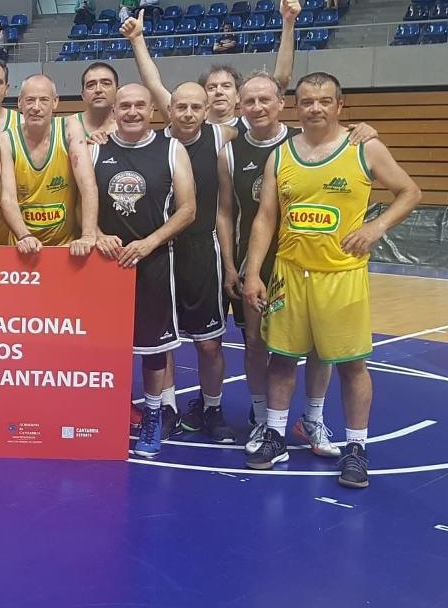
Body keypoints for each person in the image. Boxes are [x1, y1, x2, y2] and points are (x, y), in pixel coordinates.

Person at [243, 72, 421, 487]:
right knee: (282, 358)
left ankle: (357, 448)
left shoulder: (365, 147)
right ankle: (275, 434)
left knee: (352, 365)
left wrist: (376, 229)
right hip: (289, 272)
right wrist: (253, 272)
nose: (316, 108)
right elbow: (265, 218)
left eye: (325, 100)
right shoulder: (281, 155)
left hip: (341, 275)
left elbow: (409, 192)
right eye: (307, 101)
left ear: (340, 105)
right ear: (296, 107)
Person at [218, 72, 336, 456]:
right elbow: (225, 212)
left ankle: (313, 419)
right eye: (249, 101)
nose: (257, 108)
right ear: (239, 107)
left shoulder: (301, 143)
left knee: (319, 345)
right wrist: (231, 265)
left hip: (307, 261)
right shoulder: (230, 152)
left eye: (264, 100)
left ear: (281, 102)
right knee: (255, 342)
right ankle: (261, 417)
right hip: (254, 260)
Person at [92, 84, 196, 458]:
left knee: (153, 349)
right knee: (104, 349)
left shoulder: (172, 149)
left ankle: (153, 414)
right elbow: (79, 206)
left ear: (153, 109)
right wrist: (98, 234)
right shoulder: (95, 148)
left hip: (153, 261)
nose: (132, 111)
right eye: (125, 106)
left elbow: (188, 210)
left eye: (139, 105)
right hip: (104, 266)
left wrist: (150, 242)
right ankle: (106, 414)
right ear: (114, 111)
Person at [155, 82, 232, 442]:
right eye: (180, 107)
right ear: (168, 109)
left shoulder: (221, 137)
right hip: (160, 251)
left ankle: (212, 407)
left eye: (195, 108)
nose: (187, 114)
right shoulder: (153, 143)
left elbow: (277, 129)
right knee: (163, 341)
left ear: (207, 111)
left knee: (209, 343)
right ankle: (167, 407)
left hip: (203, 250)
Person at [122, 0, 299, 129]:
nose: (219, 92)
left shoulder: (252, 126)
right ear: (204, 97)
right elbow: (153, 84)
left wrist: (288, 23)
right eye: (212, 87)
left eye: (226, 86)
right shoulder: (187, 121)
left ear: (238, 96)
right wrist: (137, 40)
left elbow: (282, 78)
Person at [0, 75, 101, 256]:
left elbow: (88, 185)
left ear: (55, 102)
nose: (36, 107)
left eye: (44, 100)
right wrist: (24, 236)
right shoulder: (6, 139)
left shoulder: (69, 128)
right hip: (21, 246)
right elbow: (7, 198)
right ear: (20, 103)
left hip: (65, 248)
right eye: (30, 100)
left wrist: (88, 234)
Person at [69, 62, 119, 138]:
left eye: (106, 83)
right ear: (83, 95)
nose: (98, 90)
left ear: (117, 91)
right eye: (91, 85)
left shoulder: (126, 127)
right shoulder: (67, 126)